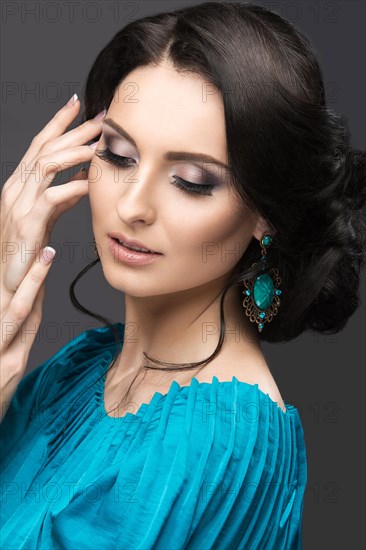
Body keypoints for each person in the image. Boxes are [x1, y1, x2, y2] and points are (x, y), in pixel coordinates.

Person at [1, 2, 365, 549]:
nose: (133, 205)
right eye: (119, 155)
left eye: (192, 180)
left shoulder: (222, 439)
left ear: (266, 212)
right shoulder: (78, 368)